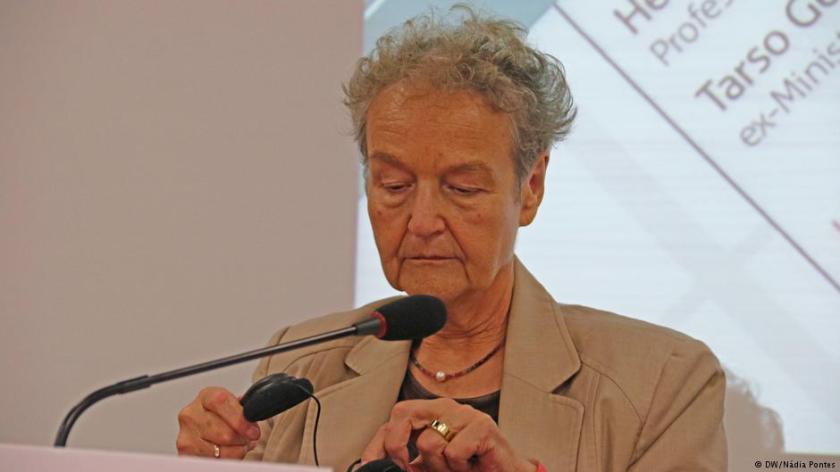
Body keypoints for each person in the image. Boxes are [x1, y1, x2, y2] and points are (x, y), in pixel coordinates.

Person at [176, 7, 727, 472]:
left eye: (461, 188)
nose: (421, 222)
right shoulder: (301, 363)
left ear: (530, 188)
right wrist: (213, 465)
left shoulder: (662, 381)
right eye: (394, 185)